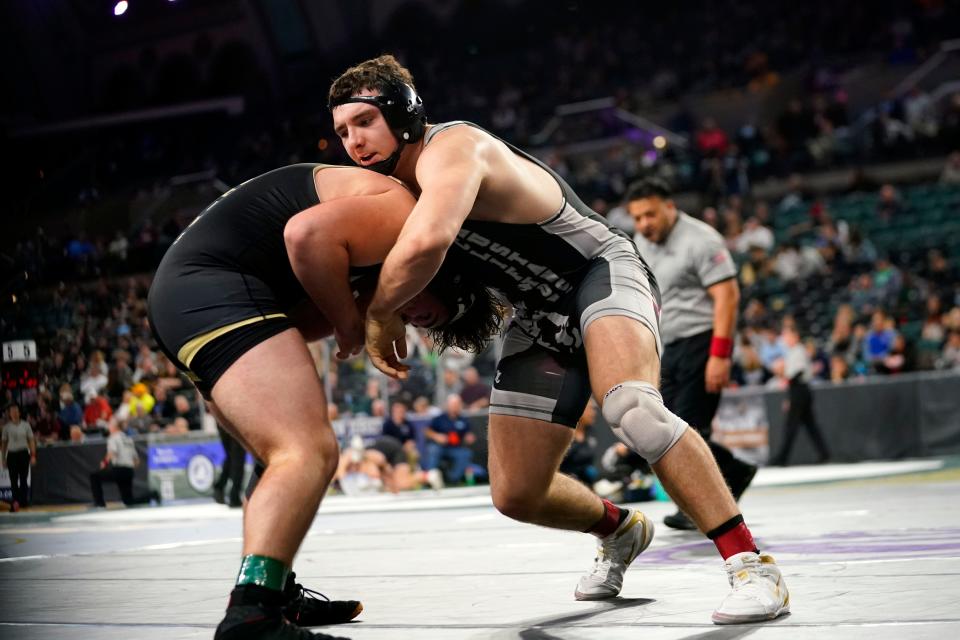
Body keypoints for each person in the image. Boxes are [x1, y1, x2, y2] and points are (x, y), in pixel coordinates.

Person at [329, 55, 789, 624]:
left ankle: (751, 564)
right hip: (537, 312)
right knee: (516, 493)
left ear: (403, 113)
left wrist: (378, 314)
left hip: (598, 271)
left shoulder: (454, 146)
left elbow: (425, 247)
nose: (353, 141)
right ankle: (621, 530)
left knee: (632, 408)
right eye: (342, 132)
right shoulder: (385, 187)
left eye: (364, 122)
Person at [148, 162, 502, 640]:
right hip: (212, 290)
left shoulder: (365, 255)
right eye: (424, 310)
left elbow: (301, 322)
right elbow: (304, 234)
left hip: (194, 298)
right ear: (438, 276)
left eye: (420, 323)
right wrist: (358, 321)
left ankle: (274, 590)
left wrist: (356, 316)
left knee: (275, 460)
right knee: (308, 450)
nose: (413, 318)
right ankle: (252, 616)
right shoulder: (403, 214)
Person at [627, 178, 758, 531]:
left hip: (702, 342)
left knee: (684, 433)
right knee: (660, 430)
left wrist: (720, 355)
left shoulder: (701, 239)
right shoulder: (642, 242)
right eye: (637, 218)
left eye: (650, 215)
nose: (644, 224)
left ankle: (702, 507)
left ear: (670, 207)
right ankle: (735, 470)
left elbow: (727, 296)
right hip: (670, 346)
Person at [770, 325, 831, 466]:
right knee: (810, 425)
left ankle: (782, 458)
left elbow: (795, 375)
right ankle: (824, 453)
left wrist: (782, 371)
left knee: (791, 426)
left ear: (795, 336)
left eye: (787, 335)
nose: (785, 339)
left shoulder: (798, 350)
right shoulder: (793, 351)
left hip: (799, 390)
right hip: (799, 390)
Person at [90, 418, 160, 507]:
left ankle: (99, 503)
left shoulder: (113, 438)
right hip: (128, 471)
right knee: (128, 501)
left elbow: (112, 453)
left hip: (119, 469)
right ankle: (152, 495)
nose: (109, 426)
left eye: (110, 424)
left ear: (115, 427)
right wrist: (128, 467)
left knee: (94, 476)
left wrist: (104, 463)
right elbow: (136, 461)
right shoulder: (128, 439)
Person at [422, 393, 476, 485]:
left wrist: (469, 437)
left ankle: (453, 479)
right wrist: (436, 436)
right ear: (448, 405)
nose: (455, 406)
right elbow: (426, 431)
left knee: (465, 454)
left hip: (455, 448)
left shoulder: (463, 419)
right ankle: (430, 479)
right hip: (440, 447)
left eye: (457, 404)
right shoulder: (440, 418)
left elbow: (468, 433)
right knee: (433, 450)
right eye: (453, 404)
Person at [2, 404, 37, 512]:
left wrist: (33, 455)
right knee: (13, 480)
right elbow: (4, 444)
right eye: (12, 411)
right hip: (12, 455)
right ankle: (15, 501)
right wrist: (3, 458)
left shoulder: (26, 425)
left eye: (16, 411)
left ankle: (24, 501)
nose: (14, 413)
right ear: (9, 414)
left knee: (23, 479)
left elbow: (31, 440)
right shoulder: (6, 427)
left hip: (23, 454)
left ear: (19, 413)